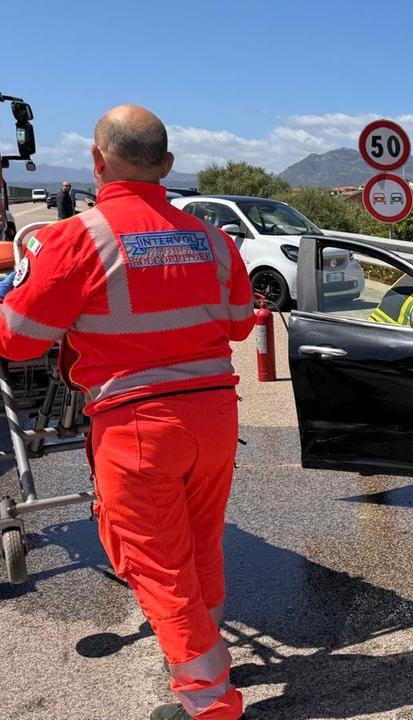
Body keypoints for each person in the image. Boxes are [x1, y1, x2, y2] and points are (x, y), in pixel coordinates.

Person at [0, 105, 253, 719]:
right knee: (199, 545)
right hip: (215, 416)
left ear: (95, 160)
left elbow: (19, 340)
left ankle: (208, 700)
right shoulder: (214, 240)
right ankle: (210, 654)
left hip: (138, 426)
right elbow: (241, 325)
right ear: (167, 165)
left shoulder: (77, 239)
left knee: (158, 564)